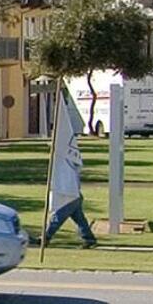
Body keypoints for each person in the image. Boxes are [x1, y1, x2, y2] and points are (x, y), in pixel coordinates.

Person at [43, 100, 96, 247]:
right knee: (79, 218)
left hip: (68, 191)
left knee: (58, 216)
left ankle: (46, 237)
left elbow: (66, 174)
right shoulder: (65, 156)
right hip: (74, 193)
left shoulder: (63, 157)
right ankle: (89, 239)